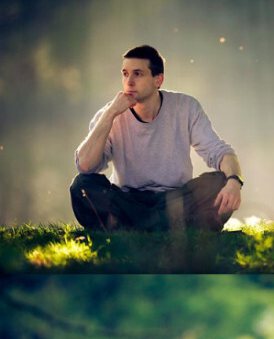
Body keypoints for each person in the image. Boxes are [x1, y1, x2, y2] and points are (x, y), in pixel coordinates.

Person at [71, 38, 242, 241]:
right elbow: (85, 166)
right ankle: (170, 226)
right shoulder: (109, 114)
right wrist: (110, 115)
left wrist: (234, 182)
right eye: (125, 74)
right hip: (128, 199)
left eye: (138, 74)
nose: (129, 82)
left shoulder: (185, 107)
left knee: (220, 181)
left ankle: (132, 226)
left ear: (158, 80)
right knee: (81, 186)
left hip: (175, 199)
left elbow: (219, 151)